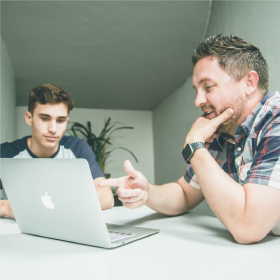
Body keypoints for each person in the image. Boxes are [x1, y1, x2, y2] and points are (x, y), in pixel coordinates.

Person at [99, 34, 280, 244]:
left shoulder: (275, 119)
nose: (198, 101)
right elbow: (185, 193)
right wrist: (147, 192)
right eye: (196, 90)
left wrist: (195, 146)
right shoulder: (223, 129)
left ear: (249, 82)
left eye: (208, 87)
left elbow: (249, 228)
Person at [0, 83, 114, 218]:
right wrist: (6, 207)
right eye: (44, 118)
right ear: (29, 118)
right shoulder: (5, 154)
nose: (53, 129)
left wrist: (22, 206)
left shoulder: (77, 149)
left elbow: (106, 197)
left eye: (60, 120)